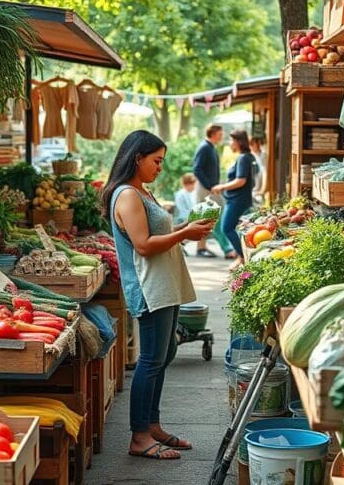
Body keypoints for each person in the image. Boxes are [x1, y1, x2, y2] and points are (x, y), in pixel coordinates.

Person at [101, 130, 215, 460]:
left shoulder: (142, 192)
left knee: (164, 354)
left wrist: (187, 229)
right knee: (151, 360)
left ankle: (152, 425)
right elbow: (143, 245)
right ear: (137, 158)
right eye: (156, 160)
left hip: (165, 286)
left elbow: (157, 234)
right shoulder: (127, 196)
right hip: (149, 288)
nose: (160, 168)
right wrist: (185, 234)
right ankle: (139, 436)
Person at [212, 129, 256, 269]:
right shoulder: (248, 157)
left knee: (227, 228)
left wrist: (222, 187)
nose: (230, 143)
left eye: (231, 140)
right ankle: (241, 257)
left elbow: (241, 181)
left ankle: (243, 256)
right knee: (239, 229)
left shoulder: (244, 157)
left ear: (238, 141)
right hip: (240, 199)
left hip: (238, 200)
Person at [192, 124, 237, 259]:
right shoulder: (205, 147)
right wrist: (210, 186)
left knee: (206, 219)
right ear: (212, 133)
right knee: (214, 218)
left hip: (211, 188)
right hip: (207, 189)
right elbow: (197, 169)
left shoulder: (210, 147)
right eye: (220, 134)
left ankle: (201, 247)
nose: (221, 136)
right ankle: (226, 249)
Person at [250, 137, 268, 202]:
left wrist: (262, 189)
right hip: (254, 189)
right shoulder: (251, 156)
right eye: (251, 144)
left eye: (253, 144)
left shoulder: (263, 155)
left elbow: (264, 172)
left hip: (260, 189)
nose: (251, 146)